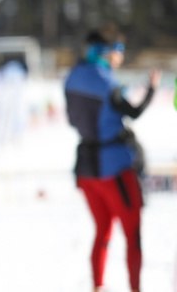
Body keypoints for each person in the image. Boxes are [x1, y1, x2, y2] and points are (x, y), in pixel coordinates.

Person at [64, 26, 161, 292]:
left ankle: (97, 286)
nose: (121, 56)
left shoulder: (71, 77)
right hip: (114, 168)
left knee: (102, 231)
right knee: (132, 234)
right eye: (119, 50)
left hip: (86, 168)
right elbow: (134, 112)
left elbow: (72, 119)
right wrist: (152, 89)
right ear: (106, 52)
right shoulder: (108, 83)